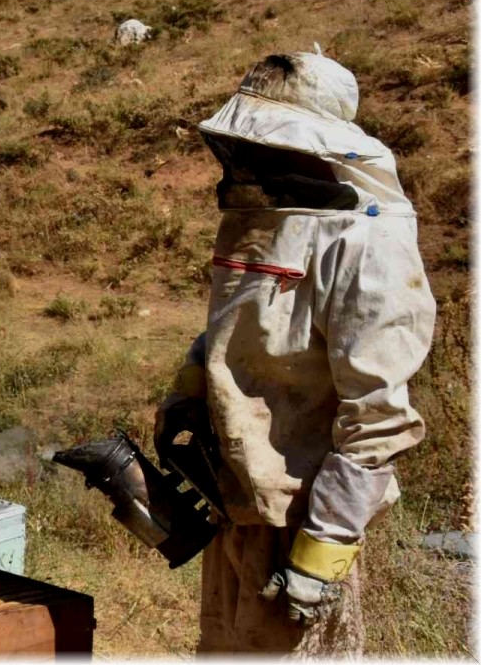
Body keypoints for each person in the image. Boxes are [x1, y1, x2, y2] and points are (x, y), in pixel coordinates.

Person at [154, 50, 437, 655]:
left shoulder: (366, 243)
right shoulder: (267, 222)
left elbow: (377, 418)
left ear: (318, 148)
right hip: (237, 500)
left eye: (269, 143)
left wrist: (322, 551)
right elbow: (235, 327)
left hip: (301, 517)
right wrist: (191, 388)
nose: (252, 157)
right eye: (247, 143)